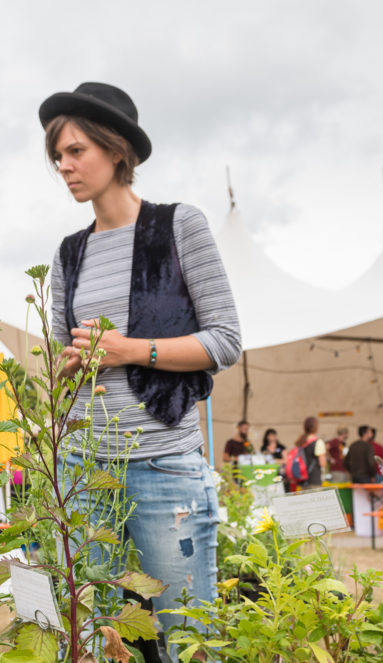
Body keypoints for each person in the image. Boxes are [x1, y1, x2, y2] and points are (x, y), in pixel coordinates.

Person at [41, 82, 242, 630]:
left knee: (187, 633)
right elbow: (64, 358)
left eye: (76, 151)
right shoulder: (69, 252)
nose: (64, 166)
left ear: (117, 150)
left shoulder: (179, 226)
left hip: (164, 464)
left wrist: (128, 350)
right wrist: (68, 365)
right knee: (85, 635)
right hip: (84, 468)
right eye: (58, 155)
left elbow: (224, 340)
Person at [293, 416, 327, 489]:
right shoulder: (318, 442)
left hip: (302, 479)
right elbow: (322, 463)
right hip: (314, 479)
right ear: (316, 427)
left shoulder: (301, 442)